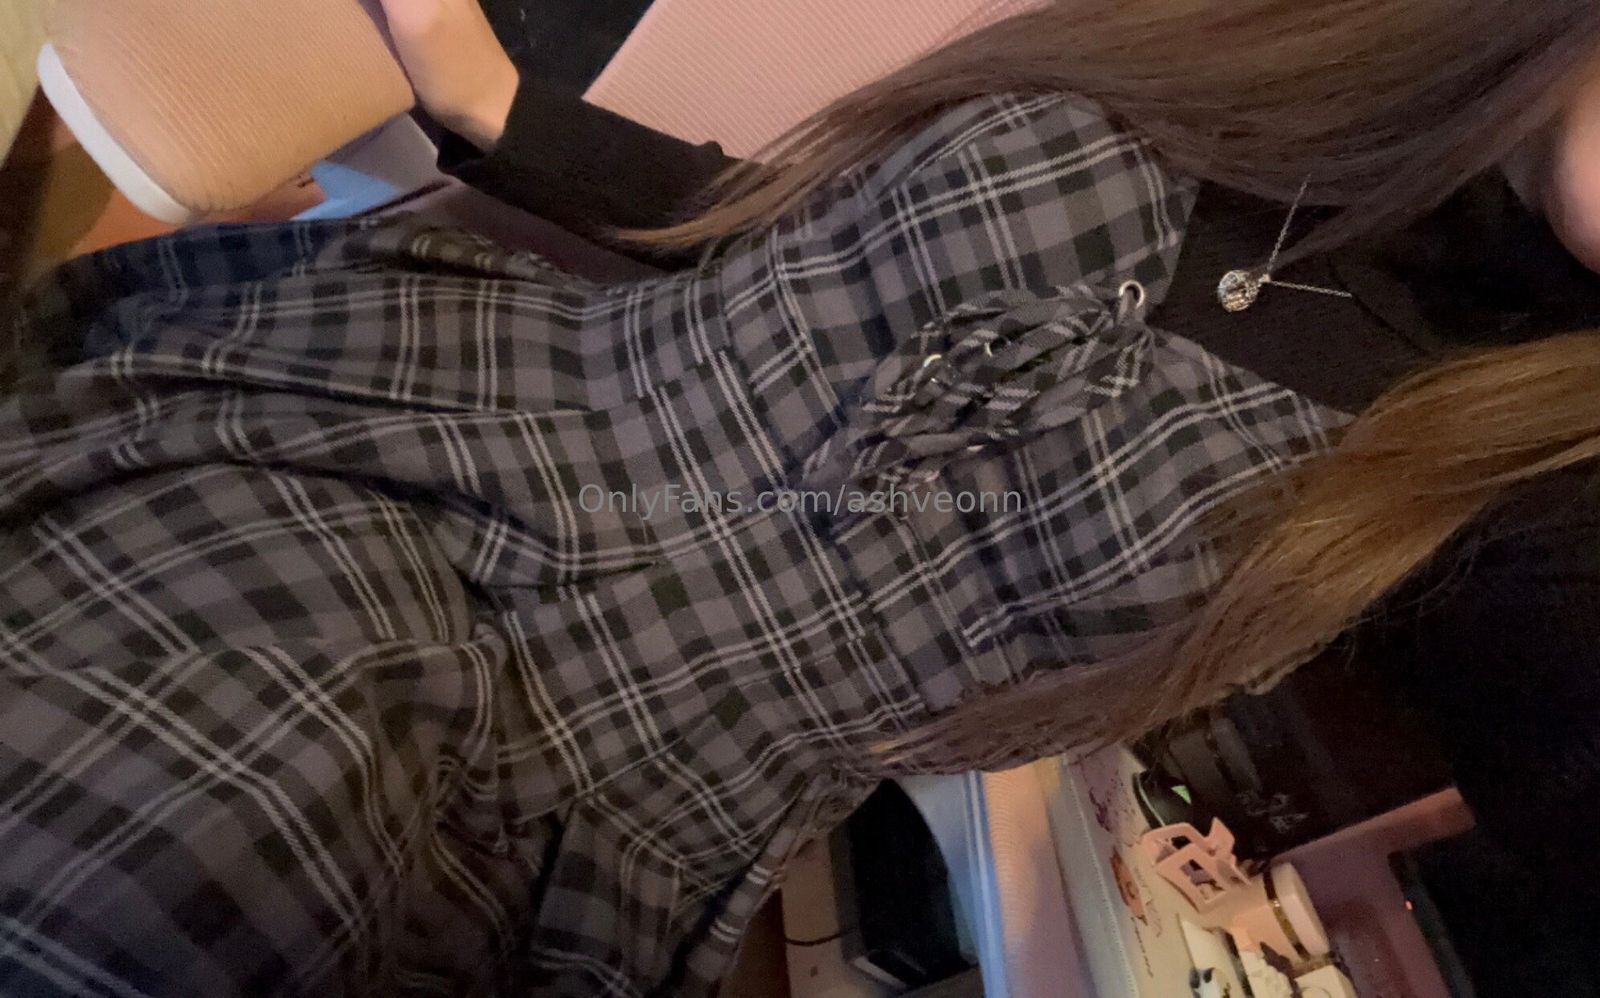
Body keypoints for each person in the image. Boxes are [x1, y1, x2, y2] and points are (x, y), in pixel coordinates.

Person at [4, 1, 1600, 995]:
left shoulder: (1530, 495)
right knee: (241, 771)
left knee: (234, 868)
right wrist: (498, 104)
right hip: (449, 432)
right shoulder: (1282, 41)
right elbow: (795, 234)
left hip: (639, 783)